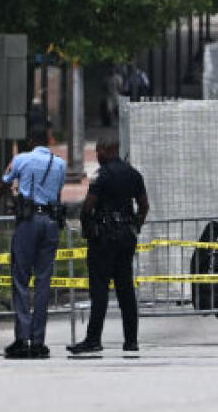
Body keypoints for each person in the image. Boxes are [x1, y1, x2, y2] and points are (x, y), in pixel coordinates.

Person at [67, 141, 150, 356]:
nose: (97, 155)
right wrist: (136, 225)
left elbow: (87, 207)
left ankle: (93, 339)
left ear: (106, 150)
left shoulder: (101, 175)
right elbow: (144, 205)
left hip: (103, 238)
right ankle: (131, 341)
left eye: (98, 151)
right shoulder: (134, 174)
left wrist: (87, 230)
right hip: (126, 237)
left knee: (100, 290)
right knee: (126, 290)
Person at [3, 132, 66, 360]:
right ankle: (39, 342)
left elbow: (5, 182)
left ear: (29, 142)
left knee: (20, 279)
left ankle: (22, 338)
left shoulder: (21, 159)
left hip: (28, 223)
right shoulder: (59, 163)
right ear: (48, 141)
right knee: (43, 282)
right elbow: (57, 194)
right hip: (50, 223)